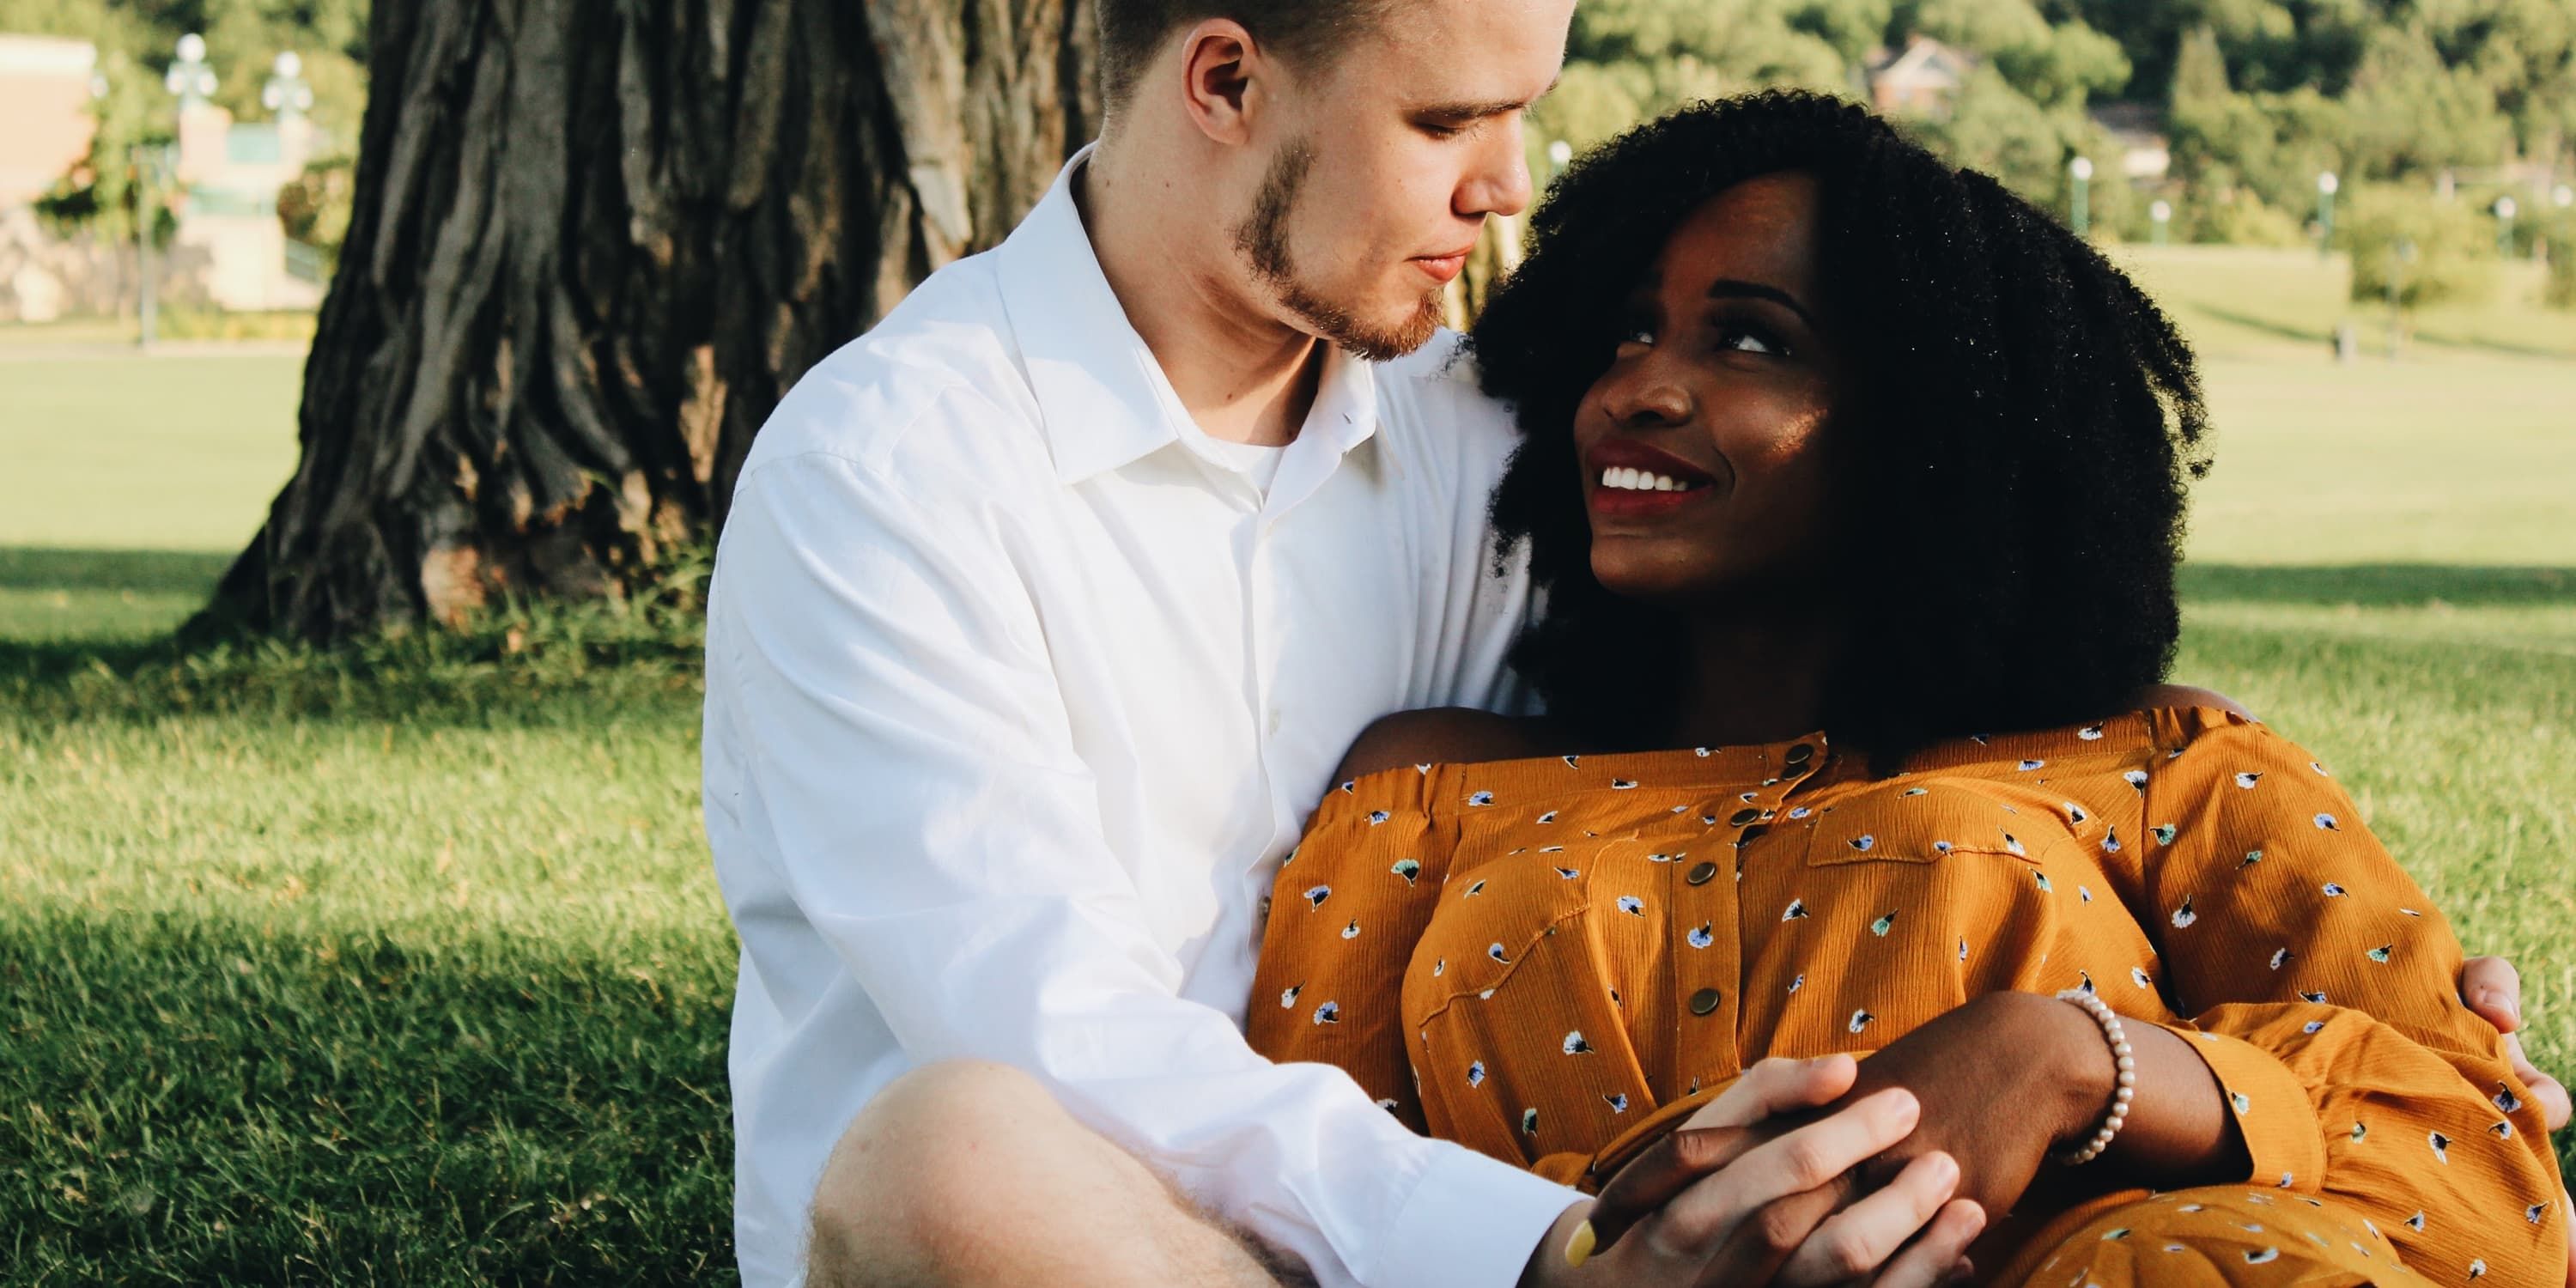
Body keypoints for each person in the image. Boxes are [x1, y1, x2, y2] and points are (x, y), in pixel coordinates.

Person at [703, 3, 2564, 1285]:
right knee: (953, 1152)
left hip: (1572, 1235)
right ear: (1223, 82)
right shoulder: (896, 472)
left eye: (1525, 115)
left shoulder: (1476, 444)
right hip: (1149, 1248)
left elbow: (1832, 626)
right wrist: (1562, 1254)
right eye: (1448, 121)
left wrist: (2154, 791)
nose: (1509, 185)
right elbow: (1052, 1029)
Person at [1245, 91, 2573, 1286]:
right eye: (1633, 330)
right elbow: (1290, 1198)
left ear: (1930, 433)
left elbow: (2477, 1171)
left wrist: (2063, 1062)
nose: (1640, 388)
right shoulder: (1429, 789)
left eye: (1750, 341)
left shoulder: (2161, 763)